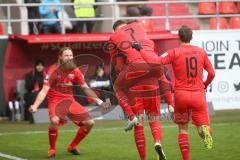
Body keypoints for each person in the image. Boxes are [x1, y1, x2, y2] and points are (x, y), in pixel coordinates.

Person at [133, 25, 215, 160]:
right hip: (198, 94)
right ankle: (205, 132)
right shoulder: (201, 52)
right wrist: (204, 85)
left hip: (181, 95)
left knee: (183, 130)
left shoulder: (174, 52)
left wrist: (141, 50)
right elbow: (212, 73)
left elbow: (155, 61)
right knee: (202, 127)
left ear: (179, 37)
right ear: (191, 37)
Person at [29, 47, 110, 158]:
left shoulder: (75, 70)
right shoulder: (53, 70)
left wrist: (100, 102)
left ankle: (73, 146)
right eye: (66, 55)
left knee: (90, 123)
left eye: (71, 55)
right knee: (54, 120)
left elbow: (85, 88)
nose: (69, 58)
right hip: (55, 101)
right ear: (60, 57)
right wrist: (35, 106)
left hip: (69, 101)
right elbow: (44, 91)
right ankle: (52, 149)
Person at [109, 20, 173, 160]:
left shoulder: (117, 43)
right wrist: (169, 102)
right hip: (151, 75)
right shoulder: (147, 41)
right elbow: (158, 68)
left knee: (138, 122)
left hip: (134, 80)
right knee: (154, 117)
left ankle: (132, 118)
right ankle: (157, 142)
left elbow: (118, 68)